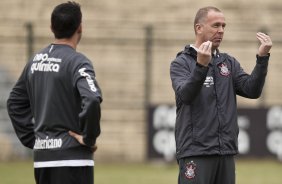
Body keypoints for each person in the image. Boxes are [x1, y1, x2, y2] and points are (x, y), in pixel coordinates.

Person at [170, 6, 272, 184]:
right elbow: (186, 95)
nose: (221, 31)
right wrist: (201, 67)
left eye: (224, 26)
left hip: (225, 152)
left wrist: (262, 59)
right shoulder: (181, 63)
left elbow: (252, 90)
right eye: (216, 25)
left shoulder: (228, 63)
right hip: (196, 152)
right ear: (198, 28)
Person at [7, 1, 102, 184]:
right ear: (80, 28)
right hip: (73, 160)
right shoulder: (78, 62)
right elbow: (91, 99)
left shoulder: (35, 61)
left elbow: (14, 103)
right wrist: (89, 138)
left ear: (51, 27)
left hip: (43, 161)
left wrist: (34, 140)